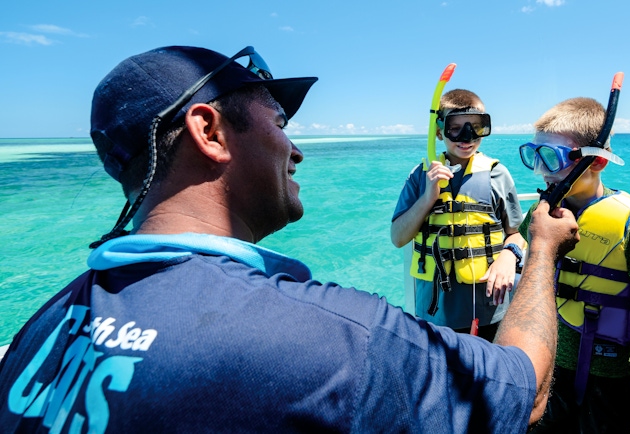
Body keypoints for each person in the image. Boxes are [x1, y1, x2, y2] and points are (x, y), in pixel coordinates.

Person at [0, 45, 579, 433]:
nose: (296, 150)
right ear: (210, 131)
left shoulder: (45, 325)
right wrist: (543, 248)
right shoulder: (329, 338)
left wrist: (510, 245)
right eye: (279, 124)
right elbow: (522, 390)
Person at [518, 97, 630, 433]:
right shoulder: (542, 212)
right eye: (533, 155)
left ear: (597, 161)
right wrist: (507, 253)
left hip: (607, 389)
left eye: (551, 159)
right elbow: (520, 240)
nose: (540, 171)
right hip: (546, 376)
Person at [391, 89, 525, 342]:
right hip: (434, 315)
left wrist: (509, 257)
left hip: (489, 311)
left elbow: (516, 234)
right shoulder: (420, 176)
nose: (467, 138)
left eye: (476, 127)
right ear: (439, 131)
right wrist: (428, 198)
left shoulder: (498, 175)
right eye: (456, 129)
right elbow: (398, 238)